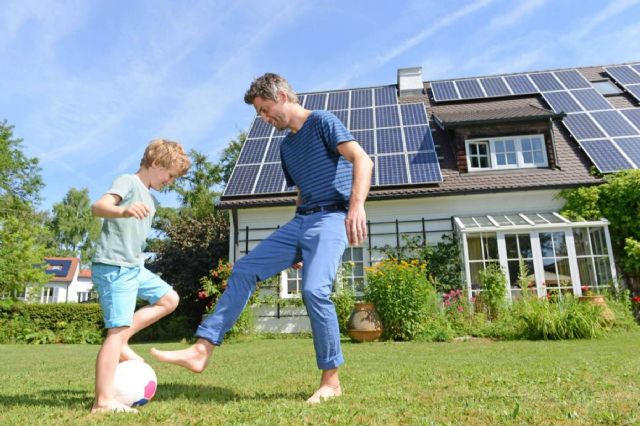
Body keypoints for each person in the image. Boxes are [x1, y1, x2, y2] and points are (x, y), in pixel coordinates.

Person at [151, 73, 373, 404]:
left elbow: (362, 159)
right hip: (302, 222)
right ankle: (202, 349)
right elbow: (301, 192)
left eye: (264, 109)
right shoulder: (287, 147)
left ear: (283, 96)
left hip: (332, 217)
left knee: (314, 290)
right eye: (259, 113)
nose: (263, 118)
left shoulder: (324, 121)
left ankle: (331, 381)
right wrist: (295, 243)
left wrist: (356, 207)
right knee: (243, 269)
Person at [90, 139, 191, 413]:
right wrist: (123, 210)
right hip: (115, 266)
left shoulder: (150, 198)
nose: (170, 181)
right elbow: (98, 207)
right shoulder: (128, 182)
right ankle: (103, 401)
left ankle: (122, 340)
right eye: (170, 175)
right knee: (116, 331)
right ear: (156, 163)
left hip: (134, 267)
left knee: (169, 299)